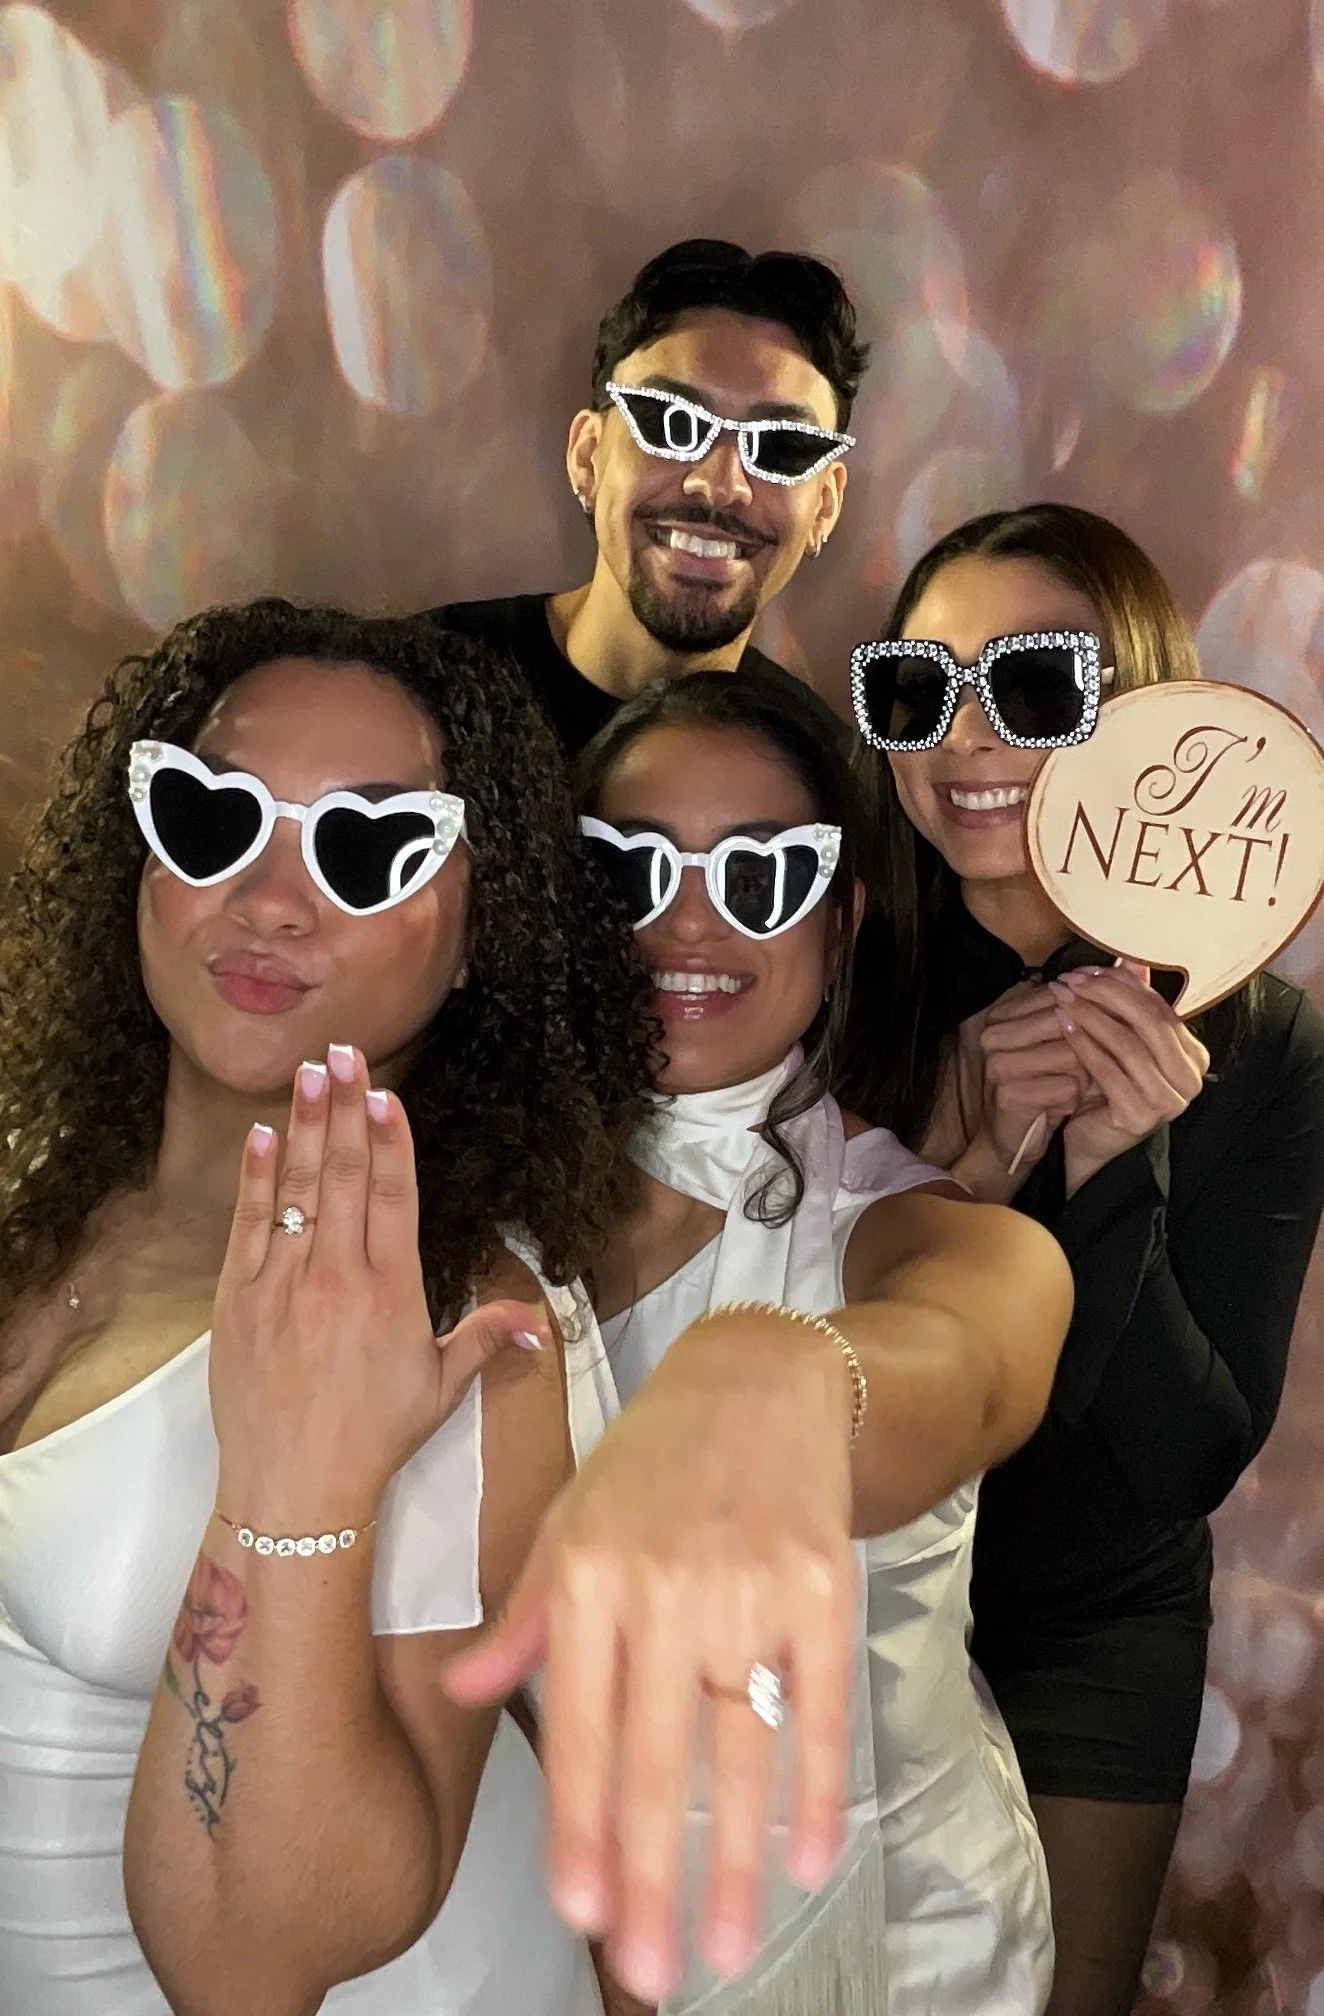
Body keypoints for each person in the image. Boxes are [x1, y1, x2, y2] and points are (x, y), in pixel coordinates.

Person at [0, 600, 656, 2015]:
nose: (273, 900)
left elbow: (252, 1961)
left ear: (483, 931)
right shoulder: (36, 1185)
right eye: (211, 816)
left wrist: (294, 1478)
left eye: (366, 850)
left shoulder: (457, 1323)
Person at [444, 670, 1076, 2014]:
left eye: (764, 873)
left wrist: (794, 1373)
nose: (686, 919)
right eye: (629, 870)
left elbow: (980, 1338)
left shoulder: (893, 1224)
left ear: (841, 923)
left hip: (896, 1962)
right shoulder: (472, 1206)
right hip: (546, 1947)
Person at [838, 503, 1324, 2016]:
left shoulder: (1272, 1046)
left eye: (1035, 685)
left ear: (1146, 718)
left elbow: (1188, 1453)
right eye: (919, 688)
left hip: (1096, 1624)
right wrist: (950, 1154)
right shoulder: (828, 973)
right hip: (838, 1597)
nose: (967, 737)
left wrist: (1117, 1178)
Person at [420, 237, 867, 753]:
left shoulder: (827, 789)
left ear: (826, 507)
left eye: (782, 447)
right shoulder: (420, 695)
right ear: (588, 457)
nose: (720, 485)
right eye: (671, 423)